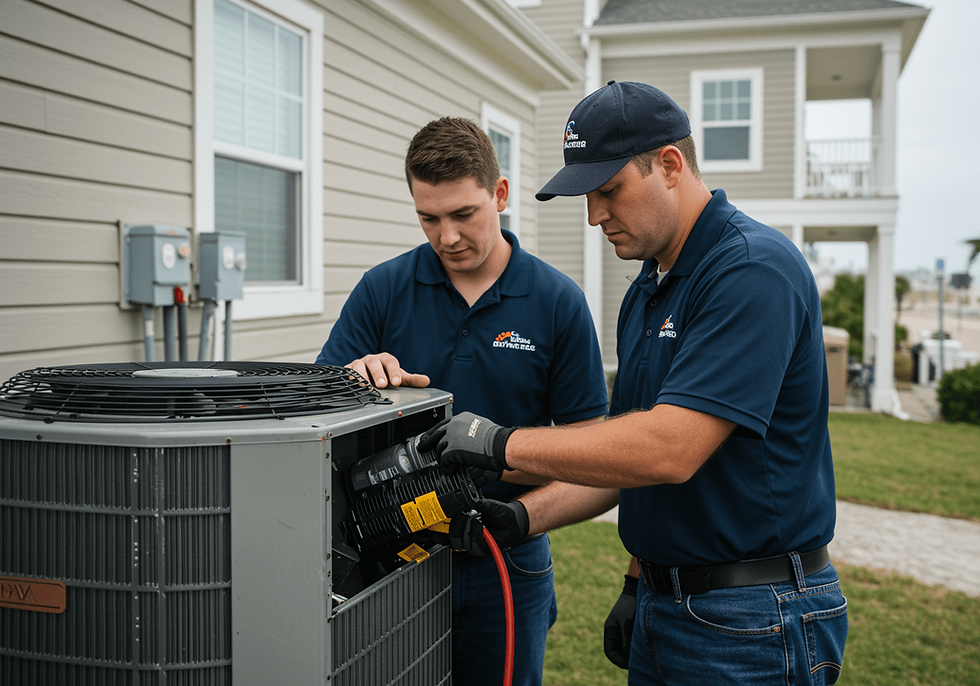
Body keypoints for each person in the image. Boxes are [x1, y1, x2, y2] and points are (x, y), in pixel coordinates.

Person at [420, 82, 849, 685]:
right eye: (587, 197)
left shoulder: (751, 270)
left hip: (755, 617)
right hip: (665, 600)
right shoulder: (648, 290)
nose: (595, 215)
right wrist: (515, 520)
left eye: (608, 190)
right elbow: (625, 459)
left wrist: (496, 442)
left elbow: (669, 448)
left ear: (669, 165)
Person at [315, 117, 609, 686]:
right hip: (392, 556)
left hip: (508, 560)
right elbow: (318, 411)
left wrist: (517, 520)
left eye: (463, 215)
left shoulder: (558, 303)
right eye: (429, 218)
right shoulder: (382, 289)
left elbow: (591, 460)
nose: (446, 236)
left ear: (499, 195)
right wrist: (352, 379)